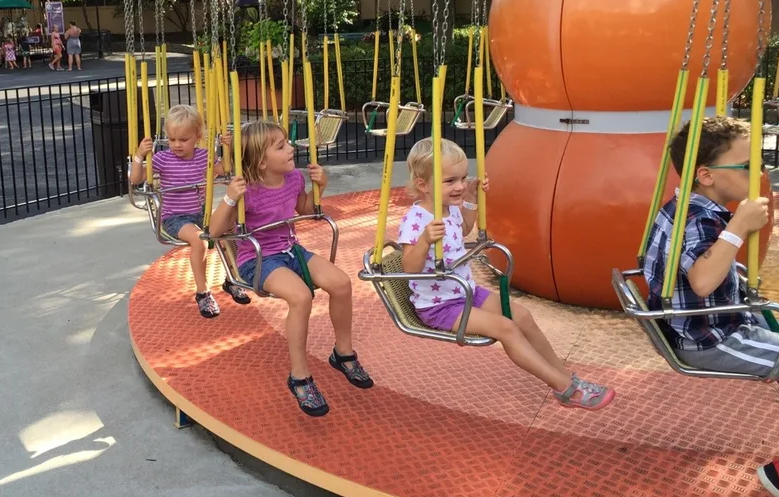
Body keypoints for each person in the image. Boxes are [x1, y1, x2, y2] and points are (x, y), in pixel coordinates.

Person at [398, 137, 615, 410]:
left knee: (522, 316)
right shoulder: (416, 220)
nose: (460, 186)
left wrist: (471, 200)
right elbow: (409, 269)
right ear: (422, 185)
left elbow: (464, 230)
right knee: (507, 328)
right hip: (439, 305)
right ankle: (565, 389)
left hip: (466, 292)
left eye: (463, 178)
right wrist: (424, 242)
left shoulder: (449, 208)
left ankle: (565, 375)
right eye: (451, 181)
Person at [641, 116, 779, 497]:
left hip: (721, 323)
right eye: (749, 166)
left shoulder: (688, 205)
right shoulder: (700, 219)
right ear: (706, 175)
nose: (760, 174)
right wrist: (739, 227)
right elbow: (702, 281)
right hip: (710, 338)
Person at [210, 120, 373, 417]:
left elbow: (308, 213)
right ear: (261, 160)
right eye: (281, 146)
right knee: (301, 297)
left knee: (341, 283)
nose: (291, 149)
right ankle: (300, 377)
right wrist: (230, 197)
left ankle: (343, 353)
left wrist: (320, 187)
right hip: (257, 260)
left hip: (291, 251)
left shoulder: (295, 179)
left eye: (287, 143)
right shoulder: (246, 190)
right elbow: (215, 230)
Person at [131, 105, 244, 318]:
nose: (177, 145)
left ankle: (233, 278)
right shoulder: (163, 159)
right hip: (175, 218)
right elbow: (136, 180)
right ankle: (203, 293)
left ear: (197, 137)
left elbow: (224, 170)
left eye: (183, 140)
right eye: (172, 139)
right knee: (200, 240)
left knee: (231, 227)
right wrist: (139, 155)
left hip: (200, 214)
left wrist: (227, 149)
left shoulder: (204, 156)